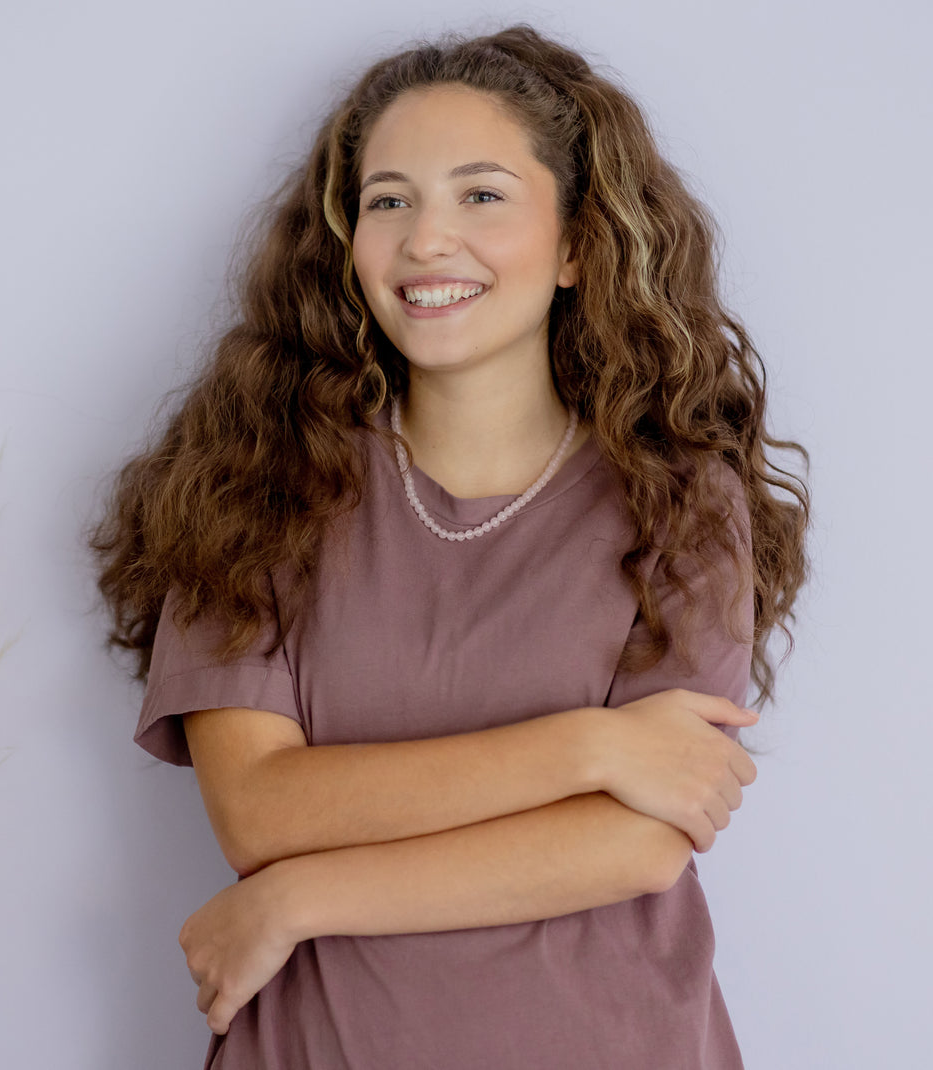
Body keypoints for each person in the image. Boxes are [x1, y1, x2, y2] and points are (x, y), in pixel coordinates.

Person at [90, 24, 809, 1070]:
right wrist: (592, 747)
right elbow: (257, 809)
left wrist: (298, 899)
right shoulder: (253, 483)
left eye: (480, 194)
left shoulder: (681, 498)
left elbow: (639, 840)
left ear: (576, 245)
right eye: (388, 201)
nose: (427, 239)